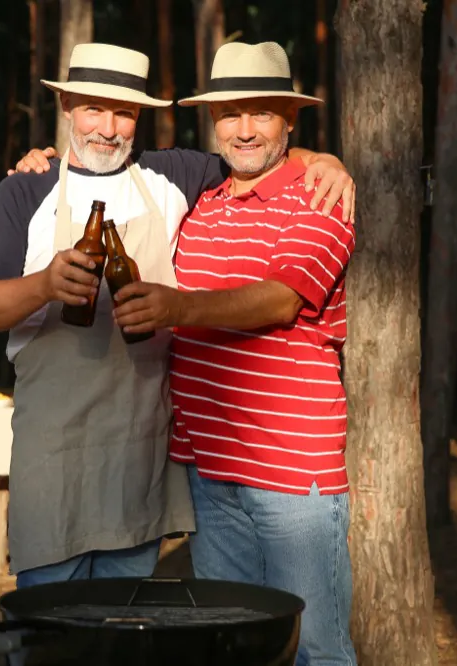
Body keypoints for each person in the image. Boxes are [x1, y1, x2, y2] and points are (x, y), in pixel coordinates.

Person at [0, 42, 355, 589]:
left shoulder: (173, 174)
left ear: (139, 118)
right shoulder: (25, 188)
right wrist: (44, 285)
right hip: (53, 455)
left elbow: (259, 154)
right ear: (68, 107)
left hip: (139, 451)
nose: (106, 126)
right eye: (93, 108)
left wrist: (324, 161)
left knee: (127, 626)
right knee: (50, 633)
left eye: (123, 112)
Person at [106, 42, 359, 665]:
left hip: (291, 476)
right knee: (237, 647)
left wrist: (174, 308)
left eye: (262, 114)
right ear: (212, 122)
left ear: (289, 120)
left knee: (317, 650)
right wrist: (45, 159)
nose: (244, 130)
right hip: (212, 473)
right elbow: (102, 157)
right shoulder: (204, 205)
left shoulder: (319, 199)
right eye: (230, 115)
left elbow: (277, 300)